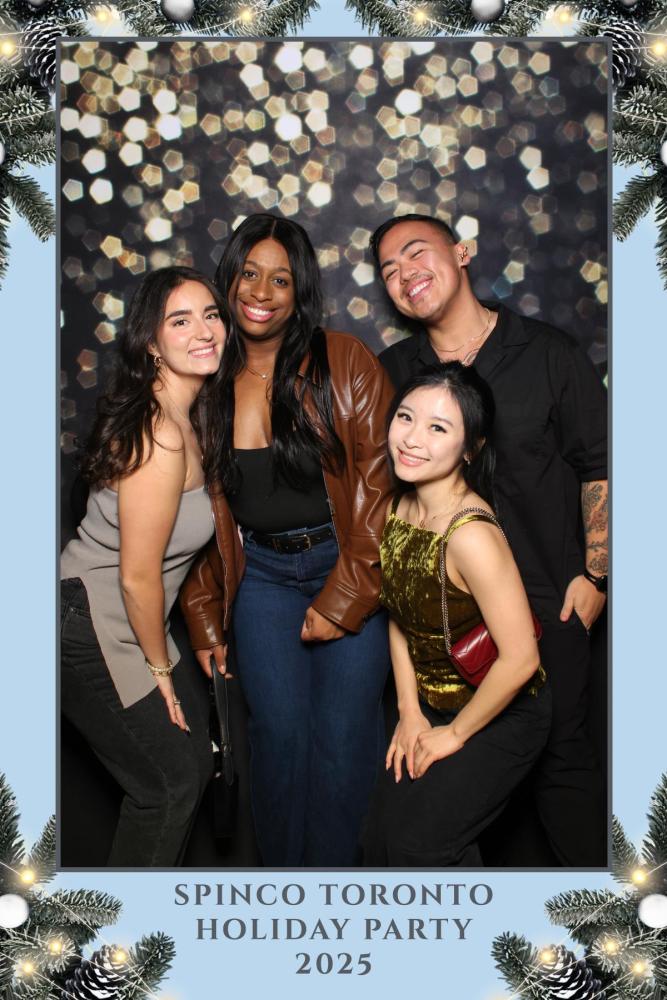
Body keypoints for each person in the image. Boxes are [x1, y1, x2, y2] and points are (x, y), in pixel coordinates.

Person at [371, 213, 608, 867]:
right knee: (436, 804)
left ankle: (602, 915)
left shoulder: (547, 353)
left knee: (563, 767)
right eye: (388, 269)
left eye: (416, 253)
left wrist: (596, 575)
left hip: (548, 599)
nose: (404, 274)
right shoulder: (395, 371)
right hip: (449, 618)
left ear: (462, 252)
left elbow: (600, 463)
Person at [180, 213, 394, 867]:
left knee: (343, 741)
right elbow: (193, 514)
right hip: (262, 579)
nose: (261, 292)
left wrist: (344, 597)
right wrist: (205, 619)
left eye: (280, 279)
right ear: (229, 279)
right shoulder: (204, 379)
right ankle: (280, 890)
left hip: (345, 562)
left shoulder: (344, 361)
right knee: (276, 738)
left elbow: (383, 489)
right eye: (249, 273)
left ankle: (334, 889)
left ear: (299, 291)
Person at [60, 266, 227, 867]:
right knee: (169, 787)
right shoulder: (161, 433)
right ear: (151, 343)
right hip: (94, 619)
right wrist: (160, 668)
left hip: (127, 617)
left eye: (211, 314)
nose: (203, 331)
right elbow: (136, 575)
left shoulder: (190, 416)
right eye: (180, 321)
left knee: (190, 771)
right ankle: (118, 929)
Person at [363, 363, 551, 866]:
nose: (411, 439)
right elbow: (399, 616)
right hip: (432, 703)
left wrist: (454, 733)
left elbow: (521, 659)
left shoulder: (471, 535)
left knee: (420, 847)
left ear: (471, 448)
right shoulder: (399, 508)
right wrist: (409, 711)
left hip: (501, 712)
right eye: (405, 417)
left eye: (438, 428)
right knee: (381, 842)